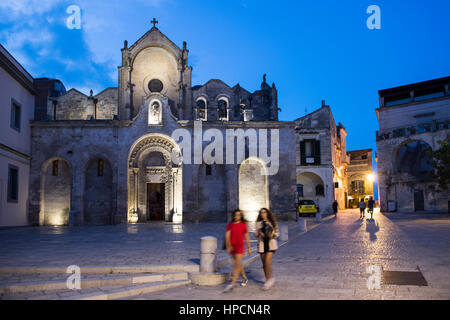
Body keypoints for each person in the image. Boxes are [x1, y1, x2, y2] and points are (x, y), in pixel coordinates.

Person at [223, 209, 251, 293]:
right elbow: (227, 236)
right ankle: (245, 278)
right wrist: (228, 246)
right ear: (233, 216)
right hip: (232, 247)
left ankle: (232, 283)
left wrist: (249, 247)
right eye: (236, 215)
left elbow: (246, 236)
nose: (237, 216)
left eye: (239, 215)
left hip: (240, 247)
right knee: (239, 264)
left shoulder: (243, 225)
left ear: (240, 216)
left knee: (236, 264)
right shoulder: (230, 225)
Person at [254, 208, 279, 290]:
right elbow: (255, 234)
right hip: (262, 245)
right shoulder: (258, 223)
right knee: (264, 264)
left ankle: (267, 281)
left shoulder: (272, 222)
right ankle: (269, 278)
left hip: (271, 244)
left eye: (264, 212)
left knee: (267, 262)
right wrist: (259, 233)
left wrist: (271, 234)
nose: (262, 214)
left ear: (267, 213)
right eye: (261, 213)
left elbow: (277, 233)